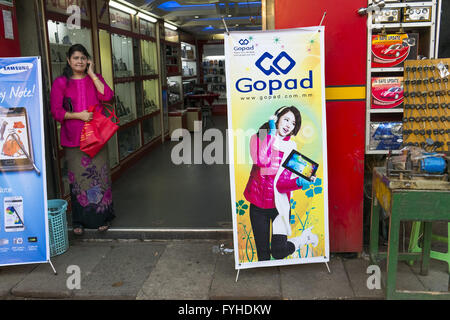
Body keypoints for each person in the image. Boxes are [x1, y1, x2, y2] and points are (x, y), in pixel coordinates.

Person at [50, 44, 115, 235]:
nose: (80, 61)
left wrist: (93, 74)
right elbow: (56, 111)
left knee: (100, 177)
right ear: (69, 60)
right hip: (74, 139)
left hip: (97, 137)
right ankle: (79, 221)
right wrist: (78, 115)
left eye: (83, 58)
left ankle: (104, 217)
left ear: (88, 60)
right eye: (76, 58)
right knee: (78, 180)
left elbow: (108, 96)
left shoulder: (95, 79)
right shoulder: (61, 82)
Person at [244, 106, 314, 261]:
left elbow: (281, 185)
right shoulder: (258, 138)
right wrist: (271, 133)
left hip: (279, 207)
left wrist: (299, 182)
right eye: (286, 119)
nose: (289, 125)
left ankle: (304, 238)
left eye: (293, 123)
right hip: (258, 206)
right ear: (276, 118)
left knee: (278, 252)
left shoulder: (291, 148)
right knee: (262, 254)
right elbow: (262, 161)